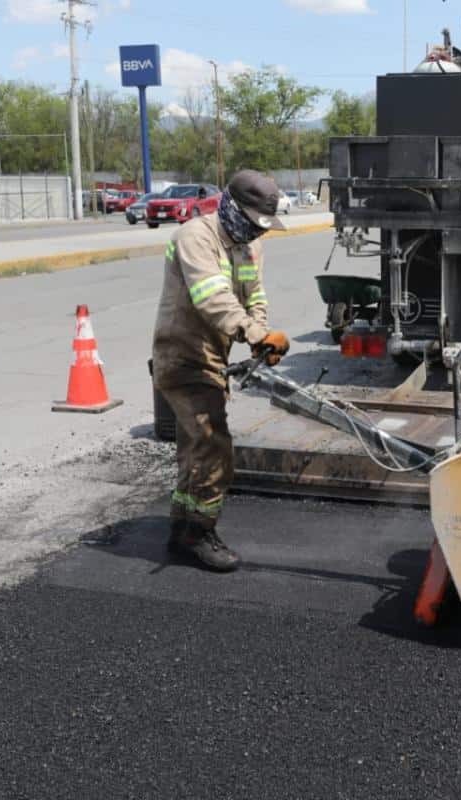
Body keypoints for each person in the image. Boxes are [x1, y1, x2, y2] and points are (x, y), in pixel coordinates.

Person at [151, 170, 291, 572]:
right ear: (233, 209)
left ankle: (182, 528)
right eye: (253, 224)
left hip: (214, 356)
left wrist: (262, 332)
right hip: (182, 355)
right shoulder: (195, 237)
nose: (258, 234)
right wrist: (253, 332)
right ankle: (197, 534)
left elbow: (254, 295)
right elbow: (212, 298)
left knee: (196, 446)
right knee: (213, 447)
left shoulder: (249, 245)